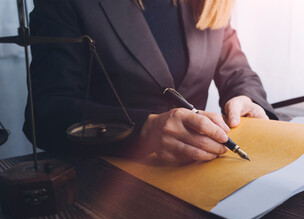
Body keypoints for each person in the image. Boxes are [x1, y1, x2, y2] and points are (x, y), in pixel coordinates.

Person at [24, 0, 276, 164]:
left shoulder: (211, 3)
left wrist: (246, 97)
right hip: (103, 183)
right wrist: (145, 130)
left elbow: (236, 69)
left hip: (202, 175)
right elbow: (45, 113)